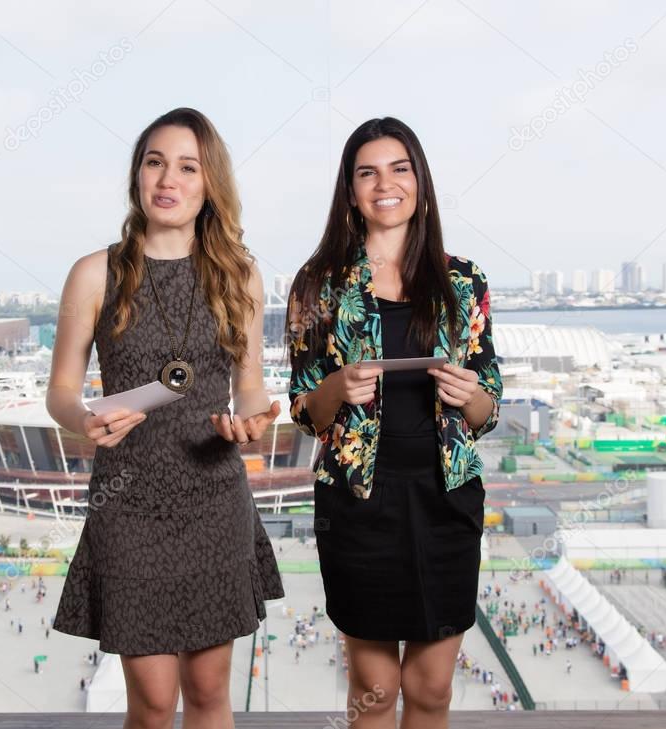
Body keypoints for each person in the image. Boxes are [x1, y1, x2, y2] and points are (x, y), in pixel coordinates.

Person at [48, 107, 285, 728]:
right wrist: (84, 419)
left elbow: (250, 387)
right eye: (155, 162)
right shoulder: (94, 273)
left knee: (209, 698)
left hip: (214, 501)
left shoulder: (240, 275)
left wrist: (255, 421)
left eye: (187, 166)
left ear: (210, 185)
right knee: (151, 706)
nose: (167, 179)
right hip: (129, 506)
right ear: (137, 176)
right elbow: (61, 392)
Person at [286, 117, 502, 729]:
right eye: (367, 172)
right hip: (358, 503)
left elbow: (489, 410)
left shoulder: (464, 282)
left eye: (400, 168)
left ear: (421, 183)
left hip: (447, 499)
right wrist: (336, 386)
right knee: (375, 690)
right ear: (350, 192)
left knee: (431, 689)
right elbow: (305, 411)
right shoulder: (320, 285)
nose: (386, 183)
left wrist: (469, 396)